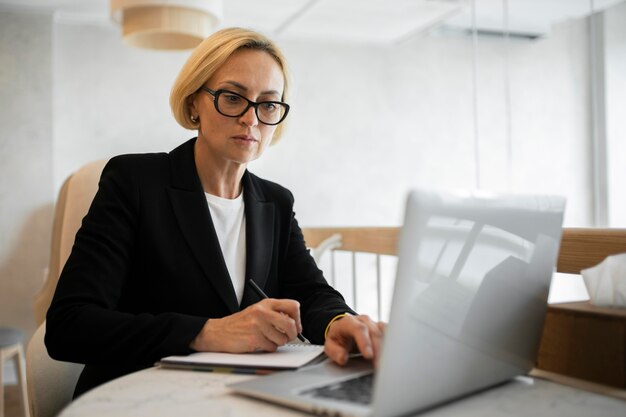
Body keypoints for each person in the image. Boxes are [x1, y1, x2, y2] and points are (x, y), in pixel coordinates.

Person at [45, 27, 383, 398]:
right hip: (138, 398)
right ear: (194, 104)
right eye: (233, 97)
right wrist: (207, 332)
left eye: (268, 104)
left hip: (233, 396)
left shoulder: (276, 202)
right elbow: (69, 325)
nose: (251, 119)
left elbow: (312, 292)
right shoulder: (135, 182)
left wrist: (339, 321)